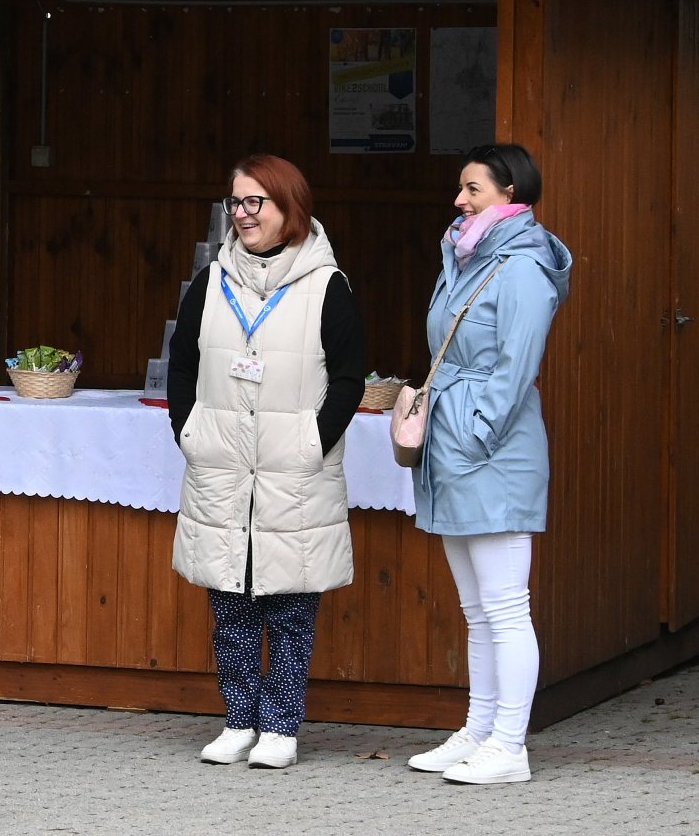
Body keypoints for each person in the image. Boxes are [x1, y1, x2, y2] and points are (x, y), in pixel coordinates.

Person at [167, 155, 366, 770]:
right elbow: (181, 366)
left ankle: (280, 727)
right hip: (223, 468)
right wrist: (191, 432)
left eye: (256, 202)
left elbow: (351, 377)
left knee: (290, 610)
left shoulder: (327, 286)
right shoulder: (211, 281)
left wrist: (313, 442)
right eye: (236, 202)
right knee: (229, 605)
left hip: (294, 474)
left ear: (290, 209)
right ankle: (237, 721)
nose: (243, 215)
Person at [403, 143, 570, 786]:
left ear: (509, 194)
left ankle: (510, 745)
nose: (459, 199)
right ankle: (479, 729)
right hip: (460, 439)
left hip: (490, 446)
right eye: (461, 188)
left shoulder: (521, 266)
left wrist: (475, 432)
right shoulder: (469, 257)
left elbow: (515, 364)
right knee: (478, 610)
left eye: (471, 189)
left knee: (505, 607)